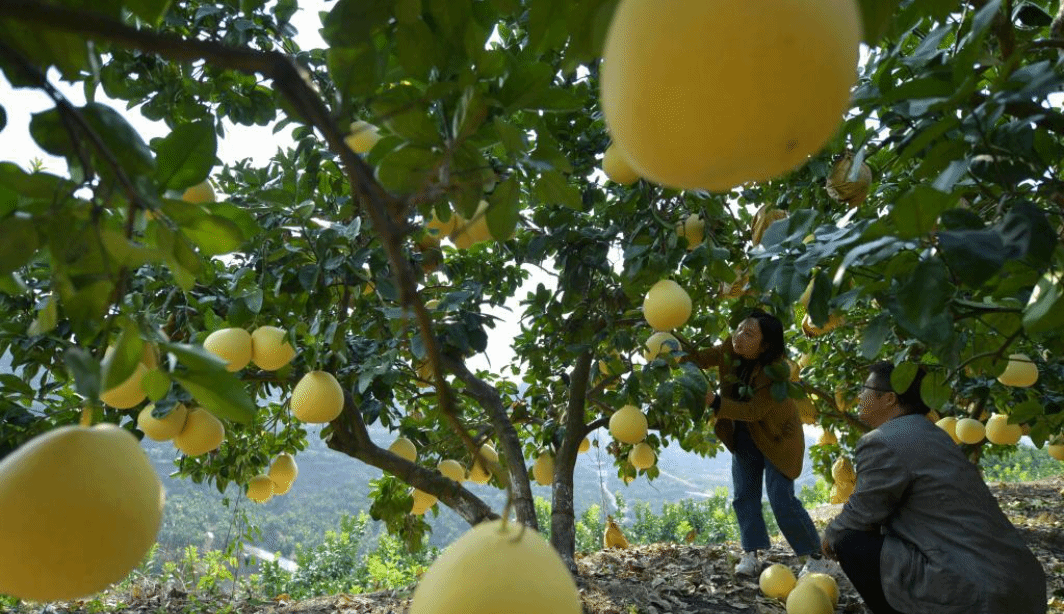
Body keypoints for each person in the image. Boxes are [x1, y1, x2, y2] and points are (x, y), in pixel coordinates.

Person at [822, 361, 1047, 614]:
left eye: (865, 389)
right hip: (1021, 586)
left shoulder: (882, 441)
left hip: (977, 592)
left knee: (848, 540)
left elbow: (861, 513)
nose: (858, 396)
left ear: (888, 399)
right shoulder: (935, 434)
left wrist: (830, 534)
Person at [687, 308, 832, 577]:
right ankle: (751, 554)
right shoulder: (730, 350)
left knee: (781, 499)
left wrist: (715, 402)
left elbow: (754, 410)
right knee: (744, 496)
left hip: (777, 437)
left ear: (765, 345)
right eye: (740, 328)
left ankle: (815, 556)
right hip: (744, 435)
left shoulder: (774, 371)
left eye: (749, 333)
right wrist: (672, 349)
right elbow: (698, 357)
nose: (739, 335)